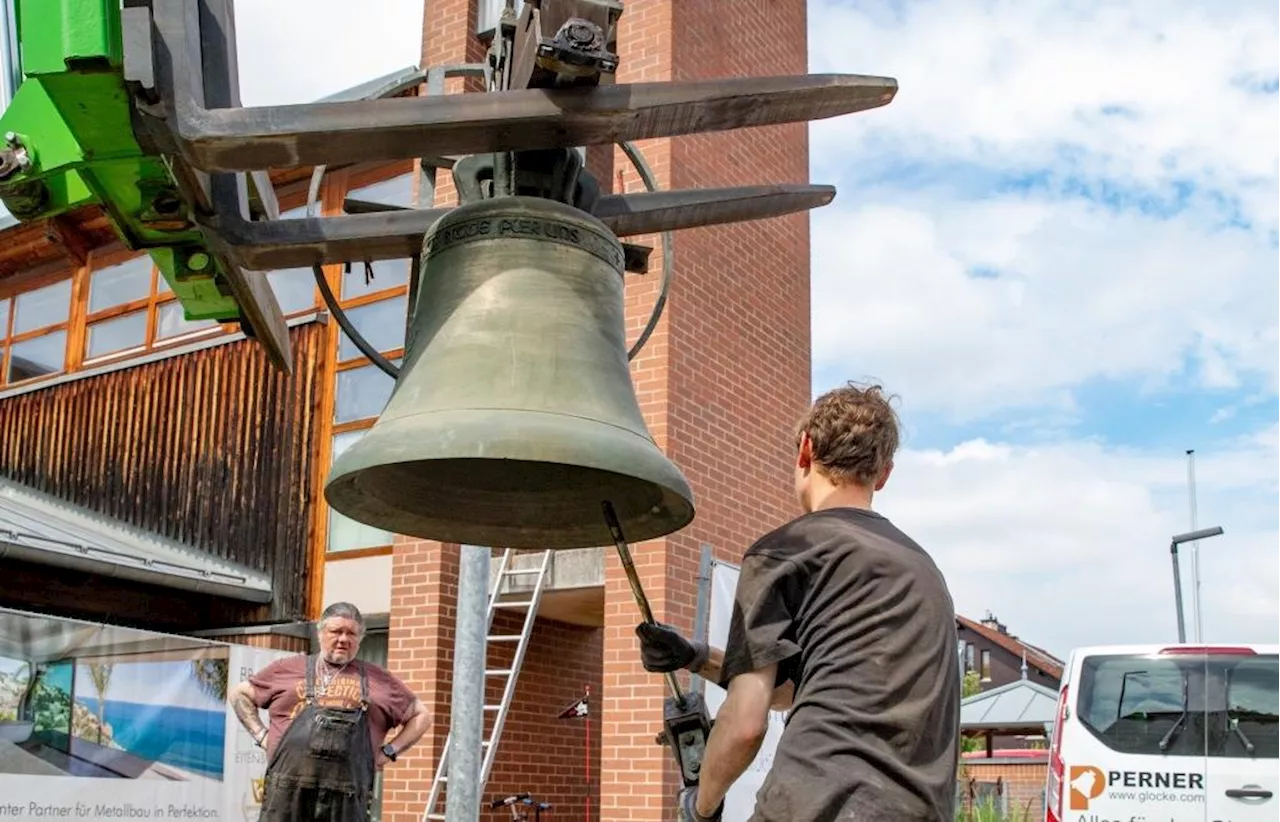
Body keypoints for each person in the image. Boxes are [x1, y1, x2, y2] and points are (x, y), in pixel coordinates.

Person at [636, 382, 961, 822]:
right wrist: (694, 656)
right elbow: (800, 692)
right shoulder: (924, 570)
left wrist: (701, 804)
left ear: (805, 450)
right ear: (883, 473)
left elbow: (747, 723)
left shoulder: (784, 552)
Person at [229, 601, 432, 822]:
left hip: (348, 799)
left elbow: (421, 716)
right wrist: (262, 736)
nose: (344, 639)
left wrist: (390, 751)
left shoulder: (379, 679)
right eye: (336, 631)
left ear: (359, 639)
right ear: (320, 634)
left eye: (352, 634)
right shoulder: (285, 668)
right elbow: (239, 694)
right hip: (286, 794)